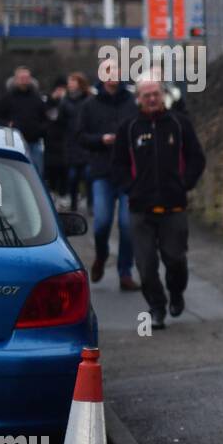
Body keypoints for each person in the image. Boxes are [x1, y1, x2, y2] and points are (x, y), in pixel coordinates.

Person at [111, 71, 206, 329]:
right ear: (138, 99)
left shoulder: (179, 123)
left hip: (174, 205)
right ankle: (156, 307)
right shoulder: (128, 127)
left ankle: (176, 294)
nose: (152, 99)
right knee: (145, 265)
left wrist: (184, 184)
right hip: (140, 208)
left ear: (163, 94)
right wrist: (130, 188)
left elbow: (197, 158)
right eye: (146, 95)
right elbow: (117, 165)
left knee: (175, 259)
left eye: (156, 94)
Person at [78, 59, 139, 290]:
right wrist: (100, 140)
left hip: (128, 172)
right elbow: (80, 136)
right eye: (108, 69)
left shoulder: (132, 102)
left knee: (126, 224)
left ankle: (125, 271)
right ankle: (101, 255)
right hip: (102, 171)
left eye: (116, 69)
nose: (112, 73)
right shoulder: (90, 105)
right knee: (102, 222)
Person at [0, 66, 48, 176]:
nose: (24, 81)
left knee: (36, 174)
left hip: (34, 143)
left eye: (26, 78)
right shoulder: (7, 98)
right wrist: (8, 125)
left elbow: (46, 119)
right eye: (21, 78)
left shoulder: (37, 98)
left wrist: (40, 130)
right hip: (14, 143)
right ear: (16, 79)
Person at [60, 72, 93, 211]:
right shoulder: (65, 101)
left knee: (88, 175)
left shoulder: (90, 100)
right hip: (71, 143)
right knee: (73, 177)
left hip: (86, 142)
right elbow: (60, 122)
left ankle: (91, 203)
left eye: (73, 82)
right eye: (69, 82)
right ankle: (74, 202)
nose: (70, 84)